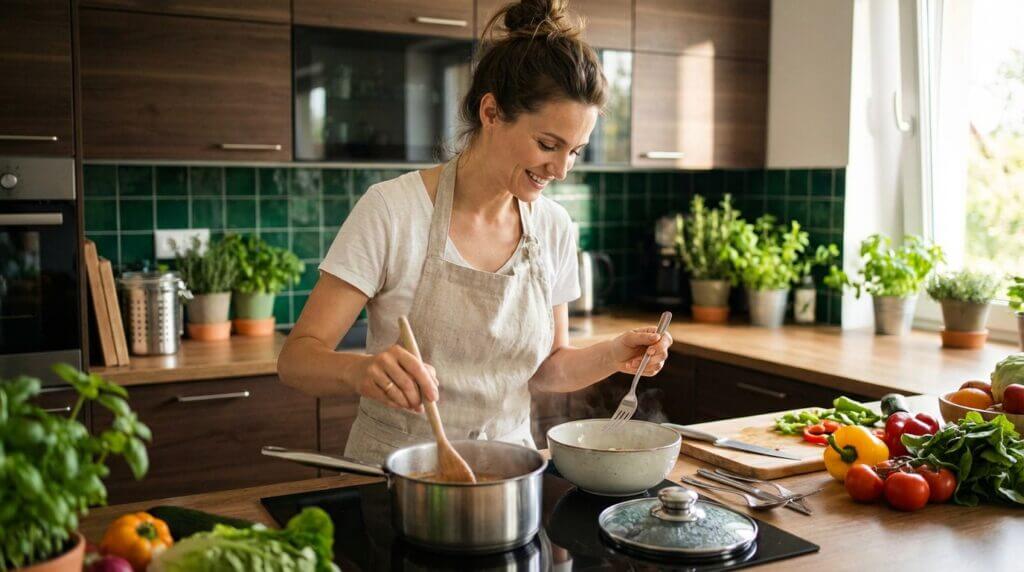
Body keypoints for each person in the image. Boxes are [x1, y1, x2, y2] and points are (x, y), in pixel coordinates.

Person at [278, 0, 673, 464]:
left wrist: (612, 353)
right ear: (491, 112)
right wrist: (360, 371)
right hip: (396, 477)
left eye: (575, 151)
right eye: (548, 144)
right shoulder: (392, 210)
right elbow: (298, 359)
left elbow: (546, 368)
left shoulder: (554, 226)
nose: (561, 169)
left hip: (508, 474)